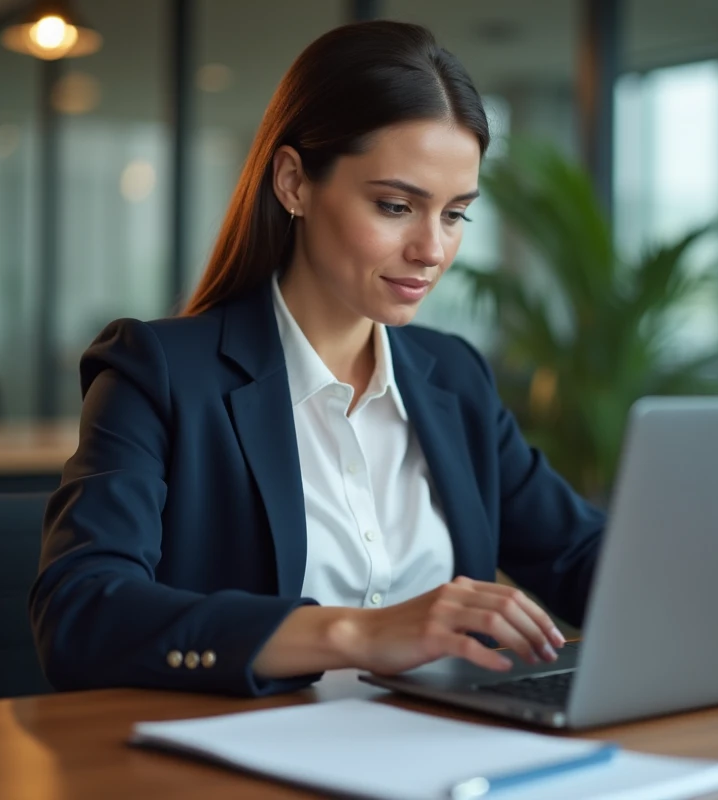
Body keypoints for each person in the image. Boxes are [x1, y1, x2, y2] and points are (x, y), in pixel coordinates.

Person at [30, 20, 605, 698]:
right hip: (250, 747)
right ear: (294, 183)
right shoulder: (159, 374)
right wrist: (357, 633)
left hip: (451, 743)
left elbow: (580, 555)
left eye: (455, 215)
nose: (432, 249)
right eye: (396, 205)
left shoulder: (454, 377)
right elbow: (81, 613)